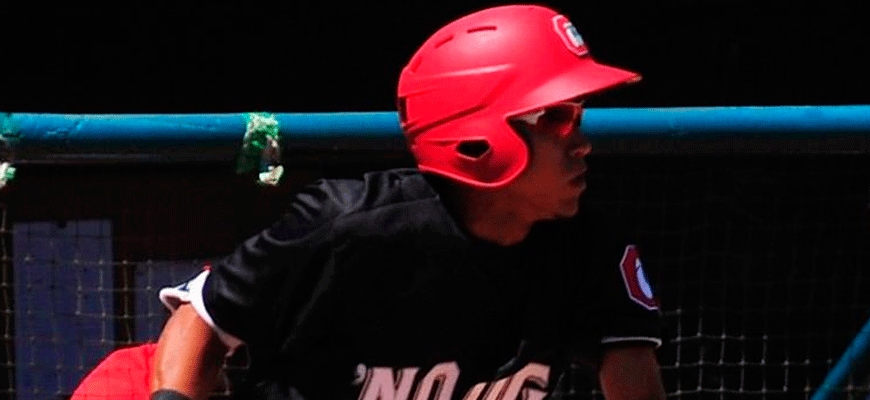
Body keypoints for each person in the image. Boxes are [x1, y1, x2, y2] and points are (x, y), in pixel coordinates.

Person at [149, 4, 667, 400]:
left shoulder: (591, 251)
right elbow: (202, 318)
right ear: (476, 139)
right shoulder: (347, 225)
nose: (582, 143)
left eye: (578, 114)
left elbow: (634, 377)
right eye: (555, 117)